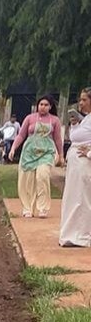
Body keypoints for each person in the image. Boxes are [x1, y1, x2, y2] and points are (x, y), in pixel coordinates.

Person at [9, 95, 65, 218]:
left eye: (46, 105)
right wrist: (13, 148)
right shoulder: (30, 118)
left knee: (42, 177)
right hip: (29, 153)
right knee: (27, 181)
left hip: (46, 153)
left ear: (50, 107)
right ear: (37, 106)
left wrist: (61, 155)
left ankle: (42, 208)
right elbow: (21, 135)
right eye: (41, 104)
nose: (43, 107)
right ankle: (27, 208)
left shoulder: (54, 120)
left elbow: (58, 139)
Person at [59, 88, 91, 247]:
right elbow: (75, 137)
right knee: (72, 198)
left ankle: (83, 236)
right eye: (80, 99)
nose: (81, 103)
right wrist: (75, 125)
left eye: (84, 100)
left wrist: (90, 152)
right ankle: (71, 234)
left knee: (83, 200)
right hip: (75, 165)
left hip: (85, 165)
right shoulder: (85, 120)